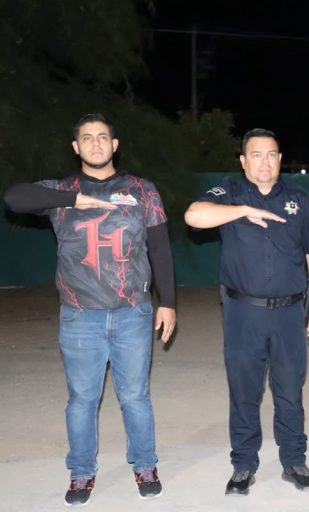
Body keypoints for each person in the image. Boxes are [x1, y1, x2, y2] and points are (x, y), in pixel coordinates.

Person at [2, 113, 176, 507]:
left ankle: (145, 465)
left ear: (115, 145)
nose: (96, 143)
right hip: (80, 315)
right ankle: (81, 472)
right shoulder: (60, 189)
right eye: (87, 138)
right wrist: (71, 199)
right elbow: (13, 197)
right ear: (76, 147)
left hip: (134, 311)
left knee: (135, 396)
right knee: (82, 398)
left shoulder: (142, 190)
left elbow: (160, 248)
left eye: (103, 137)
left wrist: (169, 303)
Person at [184, 128, 309, 494]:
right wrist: (243, 210)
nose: (265, 161)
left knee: (289, 391)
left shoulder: (298, 197)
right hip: (242, 312)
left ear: (280, 159)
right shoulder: (229, 192)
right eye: (256, 154)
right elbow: (193, 216)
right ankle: (243, 465)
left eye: (271, 154)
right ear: (243, 160)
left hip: (289, 312)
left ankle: (294, 461)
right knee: (244, 391)